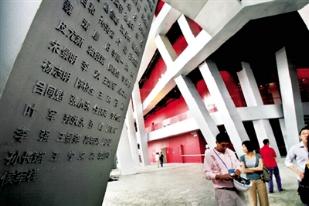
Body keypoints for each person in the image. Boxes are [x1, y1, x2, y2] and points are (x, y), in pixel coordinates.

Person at [204, 132, 245, 206]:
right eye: (223, 145)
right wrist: (221, 176)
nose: (225, 147)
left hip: (237, 187)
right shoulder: (209, 154)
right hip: (222, 190)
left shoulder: (231, 152)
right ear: (216, 142)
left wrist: (238, 170)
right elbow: (207, 174)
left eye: (227, 145)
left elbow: (238, 164)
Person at [240, 140, 269, 206]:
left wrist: (248, 169)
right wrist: (256, 169)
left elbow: (261, 168)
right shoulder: (242, 158)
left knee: (264, 202)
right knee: (253, 203)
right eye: (242, 147)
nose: (243, 148)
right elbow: (243, 171)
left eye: (244, 147)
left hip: (260, 180)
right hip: (249, 182)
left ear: (249, 146)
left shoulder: (258, 156)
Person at [285, 126, 309, 205]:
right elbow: (287, 161)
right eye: (304, 133)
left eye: (308, 133)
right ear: (300, 136)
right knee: (306, 200)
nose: (306, 135)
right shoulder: (295, 148)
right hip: (303, 178)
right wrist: (298, 172)